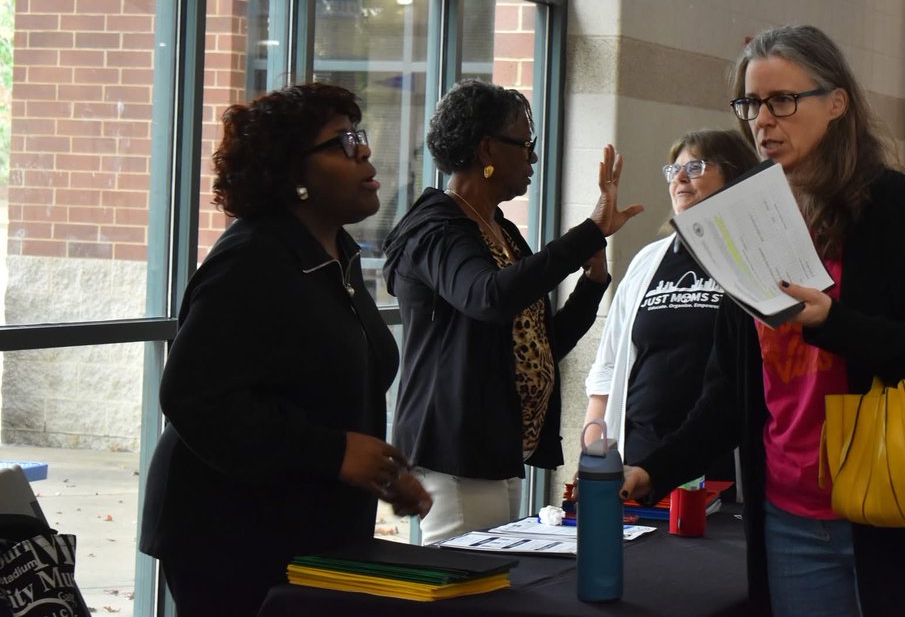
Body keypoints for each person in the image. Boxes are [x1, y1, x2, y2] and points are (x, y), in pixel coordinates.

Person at [622, 25, 905, 616]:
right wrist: (652, 471)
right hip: (789, 517)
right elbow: (729, 392)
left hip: (892, 503)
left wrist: (834, 323)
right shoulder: (741, 218)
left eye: (782, 102)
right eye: (750, 104)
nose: (762, 121)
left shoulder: (887, 204)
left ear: (836, 103)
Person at [140, 83, 432, 617]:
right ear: (293, 173)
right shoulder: (252, 261)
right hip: (230, 532)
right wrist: (334, 454)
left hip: (304, 522)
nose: (364, 151)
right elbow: (194, 397)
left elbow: (318, 390)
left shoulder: (335, 255)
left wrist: (379, 473)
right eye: (342, 142)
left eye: (358, 135)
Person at [383, 78, 642, 545]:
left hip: (496, 445)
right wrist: (588, 231)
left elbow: (539, 342)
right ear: (487, 148)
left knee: (491, 584)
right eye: (525, 144)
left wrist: (593, 281)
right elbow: (489, 298)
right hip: (454, 446)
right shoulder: (437, 229)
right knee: (467, 588)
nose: (533, 159)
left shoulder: (496, 228)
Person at [582, 129, 757, 485]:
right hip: (638, 462)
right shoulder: (649, 260)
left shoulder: (753, 258)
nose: (678, 178)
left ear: (734, 175)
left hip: (721, 465)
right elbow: (608, 366)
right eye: (673, 170)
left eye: (695, 167)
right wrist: (596, 456)